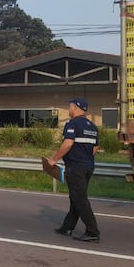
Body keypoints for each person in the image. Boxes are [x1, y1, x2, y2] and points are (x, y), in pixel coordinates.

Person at [48, 98, 100, 243]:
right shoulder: (93, 127)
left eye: (70, 106)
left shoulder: (72, 124)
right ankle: (67, 227)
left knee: (80, 199)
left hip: (76, 167)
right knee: (76, 197)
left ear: (76, 107)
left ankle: (92, 231)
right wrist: (85, 157)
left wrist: (54, 159)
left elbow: (68, 143)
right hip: (88, 166)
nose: (69, 109)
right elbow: (95, 147)